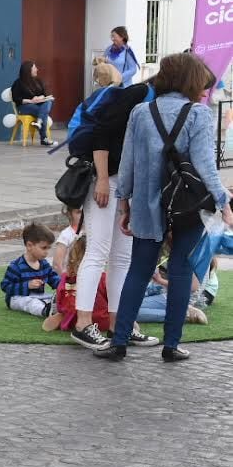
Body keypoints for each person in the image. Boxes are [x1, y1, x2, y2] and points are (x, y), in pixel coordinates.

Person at [98, 52, 233, 362]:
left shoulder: (141, 113)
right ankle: (171, 345)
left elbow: (128, 164)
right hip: (187, 206)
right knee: (182, 270)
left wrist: (124, 204)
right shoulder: (198, 115)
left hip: (146, 203)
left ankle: (119, 341)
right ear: (190, 80)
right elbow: (205, 166)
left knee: (138, 270)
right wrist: (224, 201)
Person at [69, 63, 155, 352]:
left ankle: (120, 323)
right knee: (98, 250)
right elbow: (103, 135)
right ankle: (82, 323)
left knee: (121, 255)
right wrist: (104, 179)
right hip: (106, 179)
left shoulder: (148, 98)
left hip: (122, 183)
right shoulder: (141, 95)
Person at [1, 223, 60, 318]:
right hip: (17, 298)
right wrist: (27, 285)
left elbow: (53, 278)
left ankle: (58, 310)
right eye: (44, 248)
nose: (47, 252)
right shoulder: (16, 266)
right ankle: (45, 311)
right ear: (29, 246)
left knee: (52, 298)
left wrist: (64, 285)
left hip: (39, 296)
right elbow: (5, 286)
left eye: (49, 248)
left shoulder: (44, 264)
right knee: (30, 302)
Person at [9, 61, 56, 146]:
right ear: (28, 70)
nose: (37, 70)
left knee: (48, 101)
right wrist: (31, 101)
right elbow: (16, 99)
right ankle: (43, 138)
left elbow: (45, 94)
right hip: (24, 107)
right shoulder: (18, 83)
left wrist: (40, 98)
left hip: (39, 105)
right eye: (35, 68)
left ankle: (39, 121)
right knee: (43, 112)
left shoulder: (38, 81)